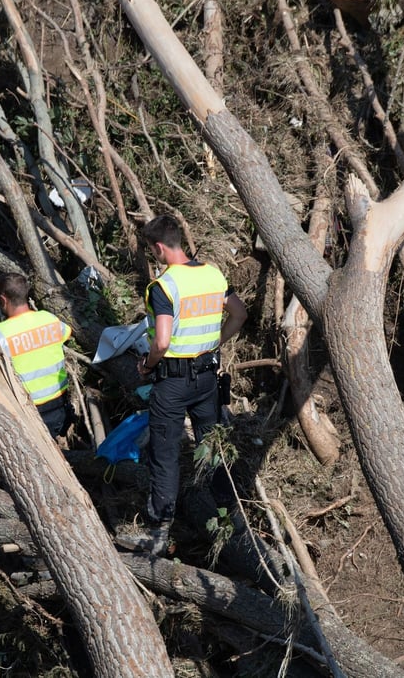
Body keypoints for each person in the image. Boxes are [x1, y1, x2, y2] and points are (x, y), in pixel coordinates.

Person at [117, 214, 247, 556]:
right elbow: (240, 314)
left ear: (159, 247)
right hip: (207, 377)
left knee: (165, 453)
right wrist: (213, 343)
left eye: (151, 250)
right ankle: (228, 517)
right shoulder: (213, 273)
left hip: (173, 381)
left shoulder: (164, 286)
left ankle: (157, 534)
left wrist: (146, 365)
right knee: (214, 445)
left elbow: (160, 342)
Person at [0, 273, 73, 439]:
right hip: (60, 406)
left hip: (30, 412)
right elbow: (67, 333)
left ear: (3, 299)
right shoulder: (49, 319)